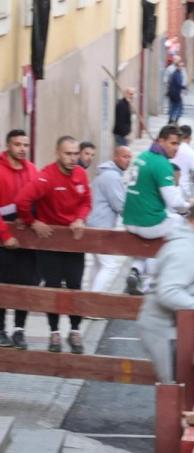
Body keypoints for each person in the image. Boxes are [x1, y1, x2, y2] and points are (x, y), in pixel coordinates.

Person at [137, 201, 194, 384]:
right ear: (193, 222)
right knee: (174, 390)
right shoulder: (184, 250)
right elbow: (168, 292)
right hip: (165, 331)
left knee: (183, 386)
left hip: (177, 329)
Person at [16, 136, 91, 353]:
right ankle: (54, 332)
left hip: (74, 241)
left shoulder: (81, 174)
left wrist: (80, 218)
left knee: (76, 287)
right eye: (68, 153)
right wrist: (33, 222)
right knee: (53, 287)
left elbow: (86, 201)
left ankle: (75, 331)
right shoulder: (46, 177)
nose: (72, 158)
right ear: (58, 153)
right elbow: (23, 201)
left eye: (76, 153)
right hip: (49, 243)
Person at [123, 125, 187, 295]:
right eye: (173, 143)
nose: (176, 148)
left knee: (153, 235)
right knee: (180, 224)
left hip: (129, 220)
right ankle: (154, 279)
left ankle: (135, 269)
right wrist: (189, 208)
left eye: (178, 144)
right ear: (161, 141)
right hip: (148, 222)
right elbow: (174, 201)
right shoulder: (162, 164)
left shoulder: (142, 156)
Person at [0, 130, 38, 349]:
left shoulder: (32, 170)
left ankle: (20, 330)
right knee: (2, 285)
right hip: (3, 238)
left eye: (25, 145)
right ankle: (0, 329)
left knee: (26, 286)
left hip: (27, 240)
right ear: (8, 146)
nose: (22, 149)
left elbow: (40, 199)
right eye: (17, 144)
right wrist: (5, 235)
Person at [86, 146, 132, 292]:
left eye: (130, 157)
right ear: (115, 157)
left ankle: (89, 301)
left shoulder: (109, 174)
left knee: (98, 264)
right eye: (125, 157)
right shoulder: (112, 177)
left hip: (94, 224)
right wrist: (135, 220)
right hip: (100, 227)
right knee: (110, 266)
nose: (128, 160)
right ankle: (93, 304)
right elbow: (120, 205)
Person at [167, 59, 185, 124]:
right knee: (179, 108)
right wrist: (184, 87)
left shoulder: (177, 73)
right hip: (175, 94)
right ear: (177, 67)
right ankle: (174, 120)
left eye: (182, 66)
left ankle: (171, 120)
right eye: (180, 66)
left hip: (174, 94)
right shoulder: (176, 74)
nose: (181, 67)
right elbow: (178, 83)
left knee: (174, 107)